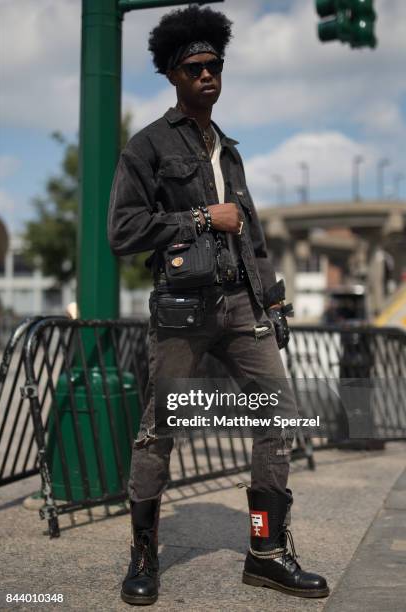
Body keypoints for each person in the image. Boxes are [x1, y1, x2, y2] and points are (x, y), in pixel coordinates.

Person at [107, 5, 329, 605]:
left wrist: (274, 303)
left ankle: (265, 552)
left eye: (215, 65)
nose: (207, 74)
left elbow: (251, 238)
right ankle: (144, 556)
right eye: (194, 67)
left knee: (277, 422)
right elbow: (123, 232)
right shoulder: (147, 146)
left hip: (242, 309)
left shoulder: (229, 152)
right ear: (173, 75)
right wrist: (202, 217)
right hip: (182, 312)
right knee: (160, 432)